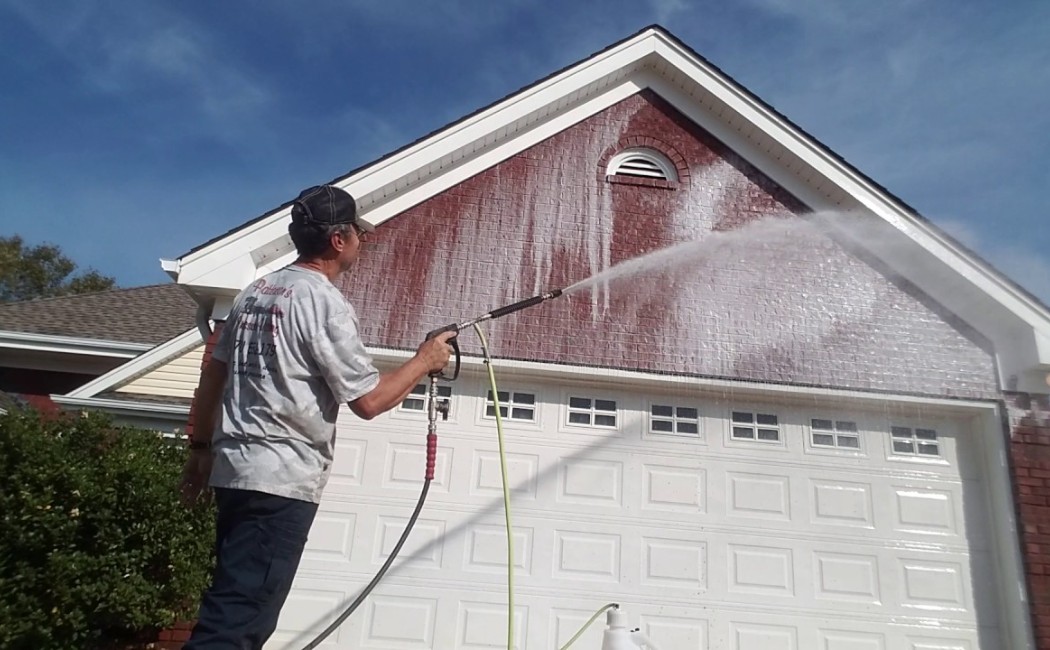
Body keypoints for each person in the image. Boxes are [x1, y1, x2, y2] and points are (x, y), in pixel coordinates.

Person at [178, 184, 455, 649]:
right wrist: (424, 360)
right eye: (359, 235)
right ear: (338, 240)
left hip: (234, 474)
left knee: (234, 607)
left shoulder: (255, 293)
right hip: (279, 481)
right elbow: (368, 401)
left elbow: (213, 377)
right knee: (237, 625)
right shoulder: (322, 302)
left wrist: (200, 452)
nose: (363, 244)